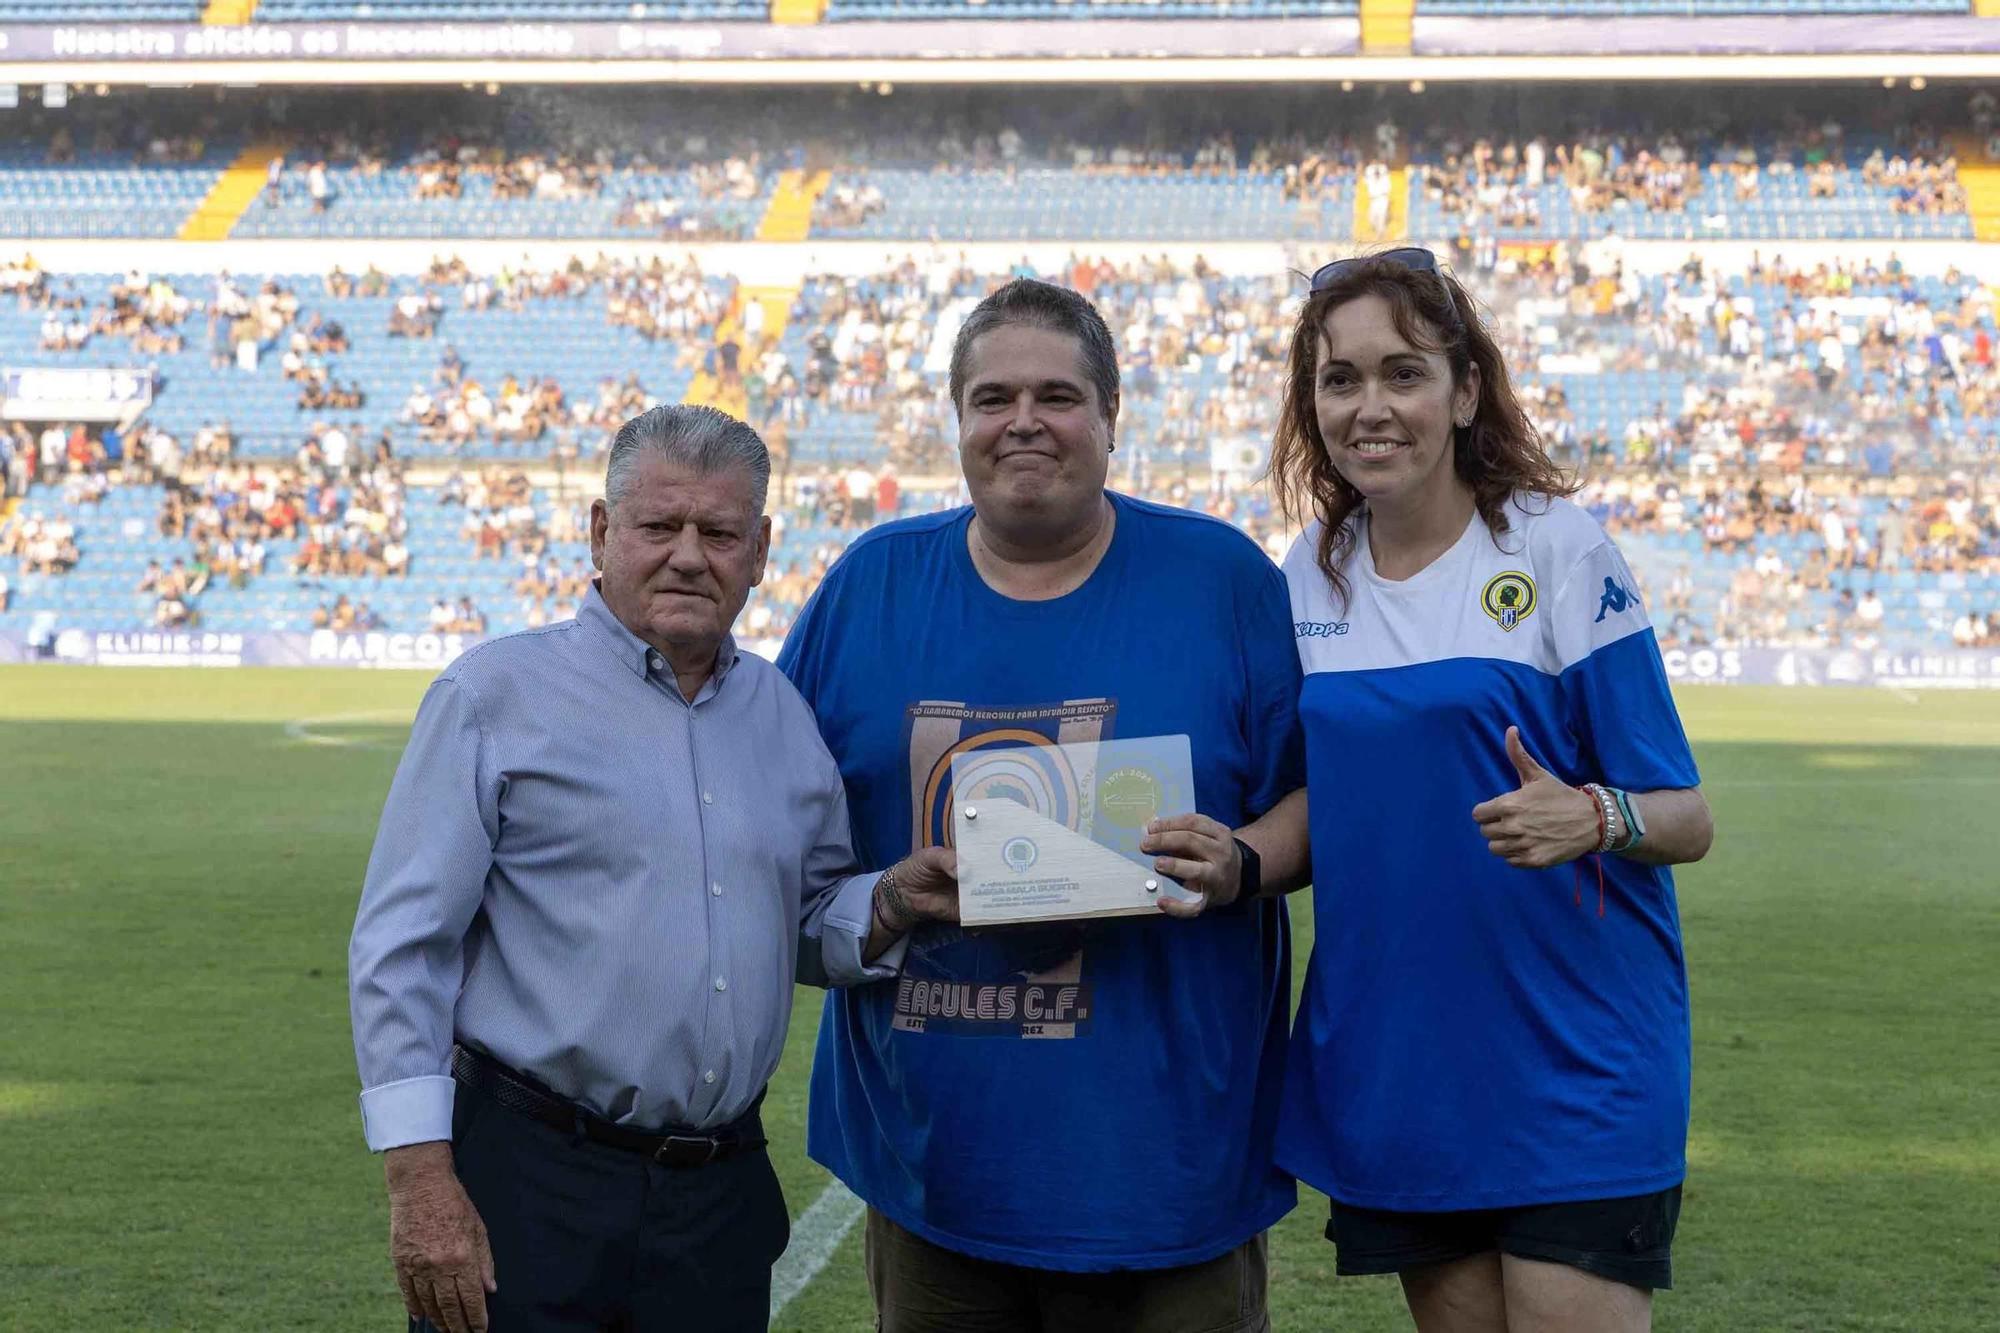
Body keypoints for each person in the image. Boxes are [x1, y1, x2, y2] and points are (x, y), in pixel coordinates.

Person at [348, 404, 957, 1333]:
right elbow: (401, 947)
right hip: (530, 1179)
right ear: (601, 531)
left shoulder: (783, 719)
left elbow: (803, 920)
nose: (686, 554)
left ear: (758, 549)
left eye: (716, 532)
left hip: (715, 1202)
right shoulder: (492, 696)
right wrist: (420, 1178)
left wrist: (890, 901)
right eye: (657, 525)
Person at [778, 279, 1306, 1333]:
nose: (1023, 420)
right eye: (992, 396)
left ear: (1111, 418)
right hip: (934, 1170)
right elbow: (773, 842)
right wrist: (887, 896)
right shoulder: (866, 588)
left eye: (1057, 395)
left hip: (1167, 1174)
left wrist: (1239, 860)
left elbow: (1324, 798)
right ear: (959, 421)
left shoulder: (1222, 581)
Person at [1265, 248, 1715, 1332]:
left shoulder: (1553, 548)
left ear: (1464, 391)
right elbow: (1315, 809)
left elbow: (1684, 815)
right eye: (1339, 380)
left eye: (1402, 372)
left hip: (1575, 1059)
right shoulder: (1306, 572)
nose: (1370, 407)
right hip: (1404, 1061)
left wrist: (1592, 814)